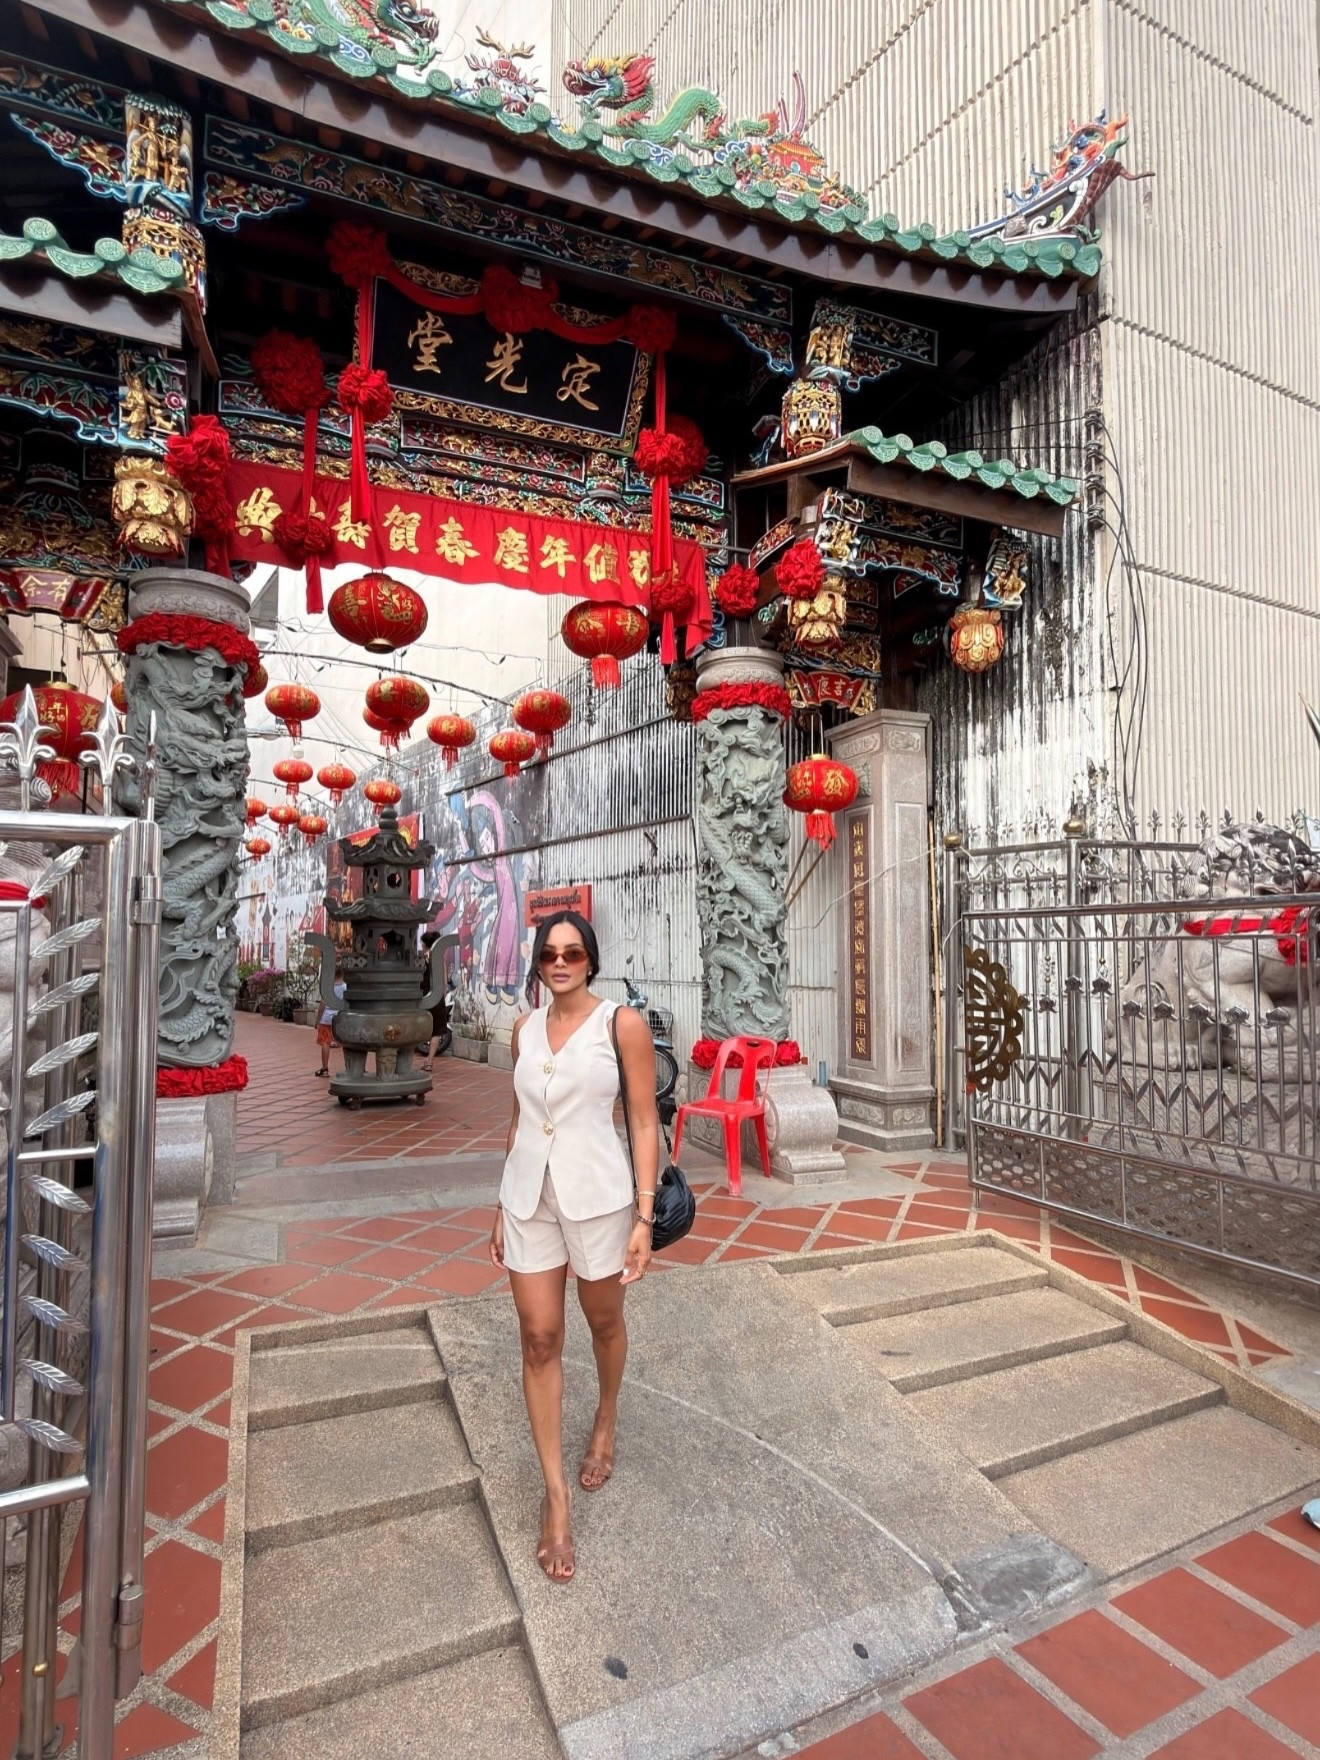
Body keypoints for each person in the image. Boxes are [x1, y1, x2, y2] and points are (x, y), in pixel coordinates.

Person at [489, 909, 659, 1584]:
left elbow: (642, 1120)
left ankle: (606, 1416)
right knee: (539, 1337)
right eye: (549, 954)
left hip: (599, 1199)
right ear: (537, 963)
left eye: (573, 953)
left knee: (604, 1321)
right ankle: (555, 1496)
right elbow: (518, 1119)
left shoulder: (622, 1025)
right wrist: (501, 1204)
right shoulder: (523, 1029)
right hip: (528, 1198)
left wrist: (644, 1216)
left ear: (590, 959)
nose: (560, 963)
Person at [417, 929, 451, 1068]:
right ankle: (429, 1061)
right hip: (437, 998)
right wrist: (441, 997)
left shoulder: (420, 959)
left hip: (421, 998)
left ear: (425, 944)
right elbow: (444, 982)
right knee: (436, 1031)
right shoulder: (439, 959)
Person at [315, 975, 346, 1077]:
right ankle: (349, 1067)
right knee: (345, 1043)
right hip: (339, 1018)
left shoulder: (327, 987)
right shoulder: (345, 987)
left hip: (326, 1018)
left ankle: (325, 1068)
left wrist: (318, 1020)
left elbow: (322, 1005)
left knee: (325, 1043)